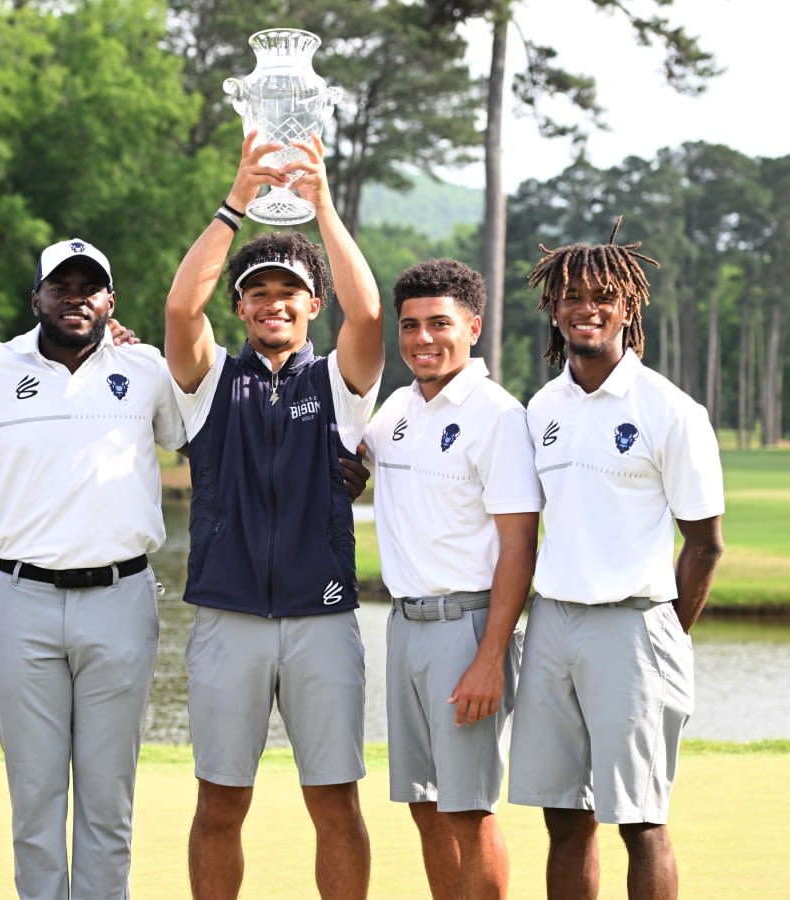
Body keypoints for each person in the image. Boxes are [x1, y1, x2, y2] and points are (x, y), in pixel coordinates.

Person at [0, 238, 185, 900]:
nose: (76, 298)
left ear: (111, 301)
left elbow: (198, 441)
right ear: (36, 297)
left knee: (108, 798)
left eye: (90, 288)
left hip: (121, 597)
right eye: (61, 287)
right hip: (21, 601)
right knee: (35, 797)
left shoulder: (147, 367)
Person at [163, 132, 384, 900]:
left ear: (311, 304)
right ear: (241, 305)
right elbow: (180, 305)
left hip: (322, 618)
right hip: (228, 617)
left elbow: (371, 313)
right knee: (221, 800)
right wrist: (236, 202)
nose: (273, 302)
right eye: (257, 291)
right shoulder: (208, 379)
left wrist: (321, 204)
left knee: (334, 800)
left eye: (288, 291)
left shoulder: (343, 383)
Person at [507, 220, 725, 900]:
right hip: (551, 627)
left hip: (634, 626)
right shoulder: (542, 406)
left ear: (628, 307)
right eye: (571, 295)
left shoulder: (670, 410)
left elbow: (705, 542)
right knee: (564, 819)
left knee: (640, 820)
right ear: (553, 308)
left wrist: (663, 633)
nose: (586, 307)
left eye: (603, 295)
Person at [360, 259, 541, 899]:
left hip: (468, 630)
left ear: (472, 326)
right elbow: (352, 456)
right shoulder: (400, 406)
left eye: (439, 324)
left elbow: (520, 544)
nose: (422, 339)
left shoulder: (497, 415)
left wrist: (492, 656)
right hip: (406, 627)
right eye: (410, 326)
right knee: (425, 805)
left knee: (467, 809)